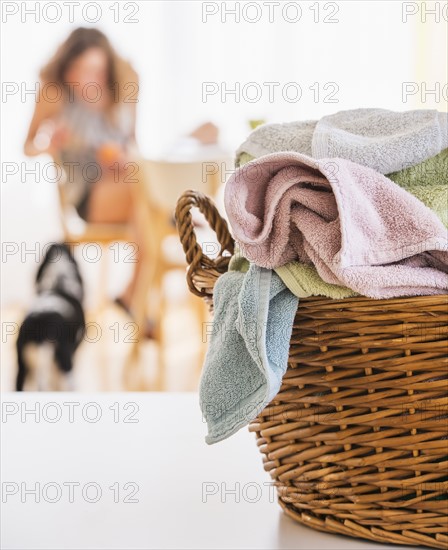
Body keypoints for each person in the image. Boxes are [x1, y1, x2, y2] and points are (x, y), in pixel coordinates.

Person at [24, 27, 152, 332]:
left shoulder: (125, 85)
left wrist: (124, 156)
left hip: (124, 187)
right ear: (67, 68)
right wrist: (49, 143)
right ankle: (137, 295)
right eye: (79, 70)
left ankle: (136, 294)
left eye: (95, 69)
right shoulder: (54, 93)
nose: (88, 78)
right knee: (154, 202)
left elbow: (134, 145)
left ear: (107, 67)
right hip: (85, 195)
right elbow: (27, 147)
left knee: (146, 198)